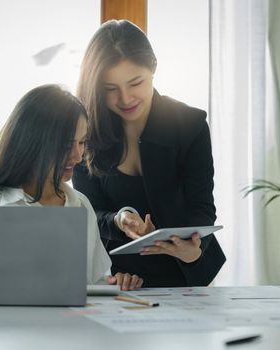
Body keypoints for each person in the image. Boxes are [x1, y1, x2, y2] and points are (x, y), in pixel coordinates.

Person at [0, 84, 143, 292]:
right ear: (33, 145)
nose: (77, 155)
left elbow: (95, 281)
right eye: (64, 145)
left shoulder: (80, 205)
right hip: (8, 332)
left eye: (81, 143)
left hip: (67, 331)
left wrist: (115, 284)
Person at [73, 20, 226, 287]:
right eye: (110, 89)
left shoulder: (190, 125)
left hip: (187, 274)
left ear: (153, 67)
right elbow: (89, 211)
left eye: (136, 83)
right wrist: (118, 220)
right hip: (121, 277)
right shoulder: (86, 132)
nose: (125, 99)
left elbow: (201, 207)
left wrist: (195, 249)